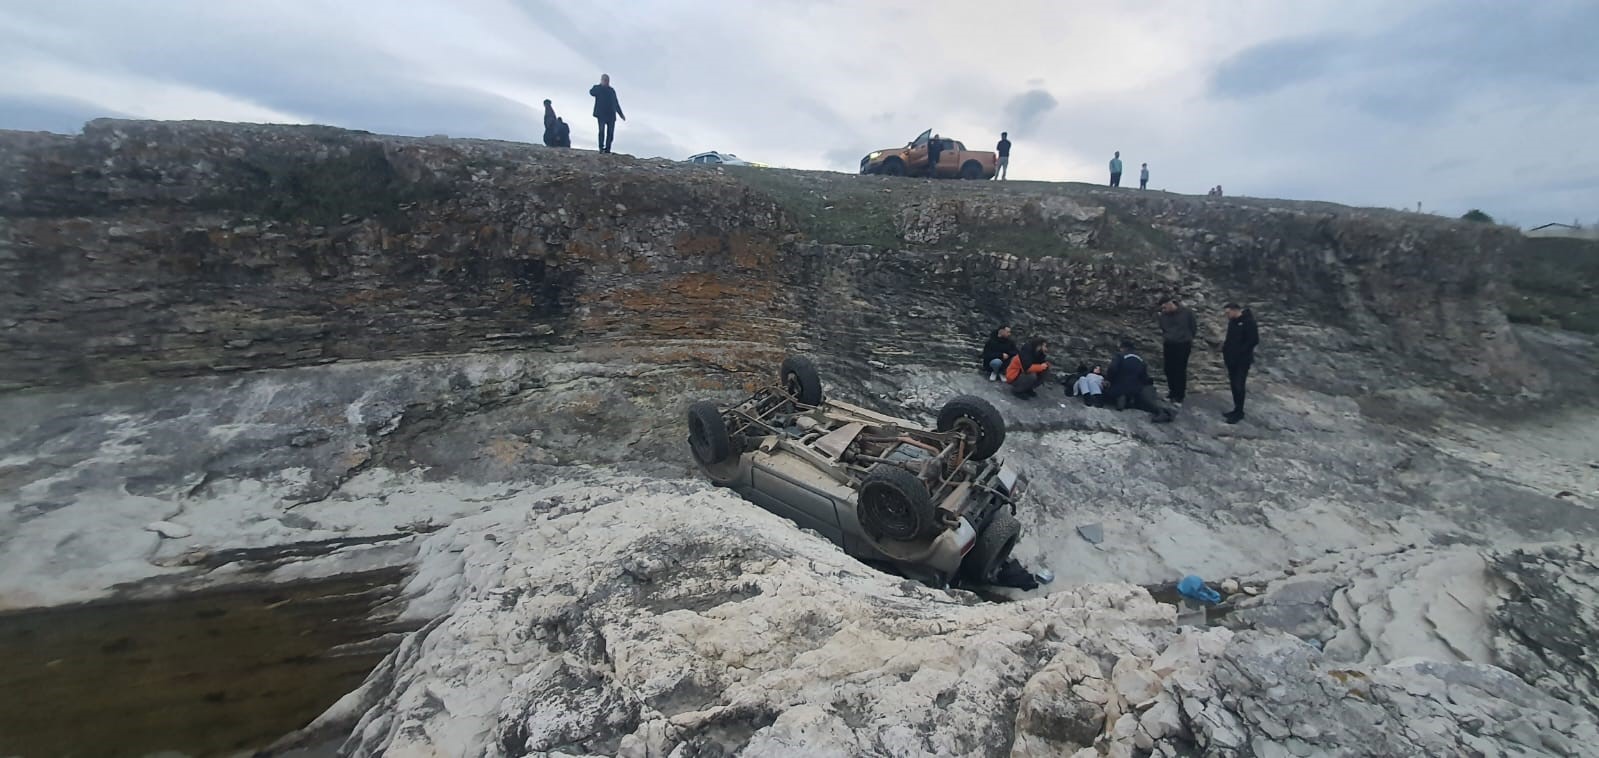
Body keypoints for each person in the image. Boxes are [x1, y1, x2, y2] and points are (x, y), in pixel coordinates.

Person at [1105, 340, 1175, 422]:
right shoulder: (1141, 360)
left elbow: (1112, 369)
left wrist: (1108, 379)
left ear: (1122, 348)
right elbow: (1144, 378)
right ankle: (1163, 412)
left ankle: (1122, 398)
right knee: (1141, 403)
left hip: (1119, 387)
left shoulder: (1119, 355)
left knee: (1103, 393)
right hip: (1136, 390)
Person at [1222, 303, 1259, 424]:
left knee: (1239, 385)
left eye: (1228, 312)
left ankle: (1239, 412)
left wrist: (1240, 352)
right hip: (1231, 359)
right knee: (1233, 385)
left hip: (1242, 360)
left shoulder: (1248, 322)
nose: (1227, 315)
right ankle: (1236, 409)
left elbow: (1253, 340)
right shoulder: (1232, 322)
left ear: (1235, 310)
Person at [1158, 298, 1197, 405]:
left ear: (1170, 303)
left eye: (1165, 307)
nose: (1164, 310)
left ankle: (1179, 396)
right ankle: (1172, 392)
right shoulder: (1163, 316)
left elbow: (1193, 327)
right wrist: (1167, 337)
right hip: (1169, 344)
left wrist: (1187, 338)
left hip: (1183, 344)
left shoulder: (1187, 312)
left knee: (1179, 370)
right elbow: (1163, 328)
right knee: (1168, 369)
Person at [589, 74, 626, 154]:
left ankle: (608, 149)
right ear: (602, 80)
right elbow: (591, 92)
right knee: (601, 131)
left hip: (611, 115)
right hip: (601, 114)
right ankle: (601, 148)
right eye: (604, 80)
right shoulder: (597, 88)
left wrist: (621, 114)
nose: (606, 82)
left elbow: (616, 103)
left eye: (607, 80)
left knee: (610, 133)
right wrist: (600, 86)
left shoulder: (611, 91)